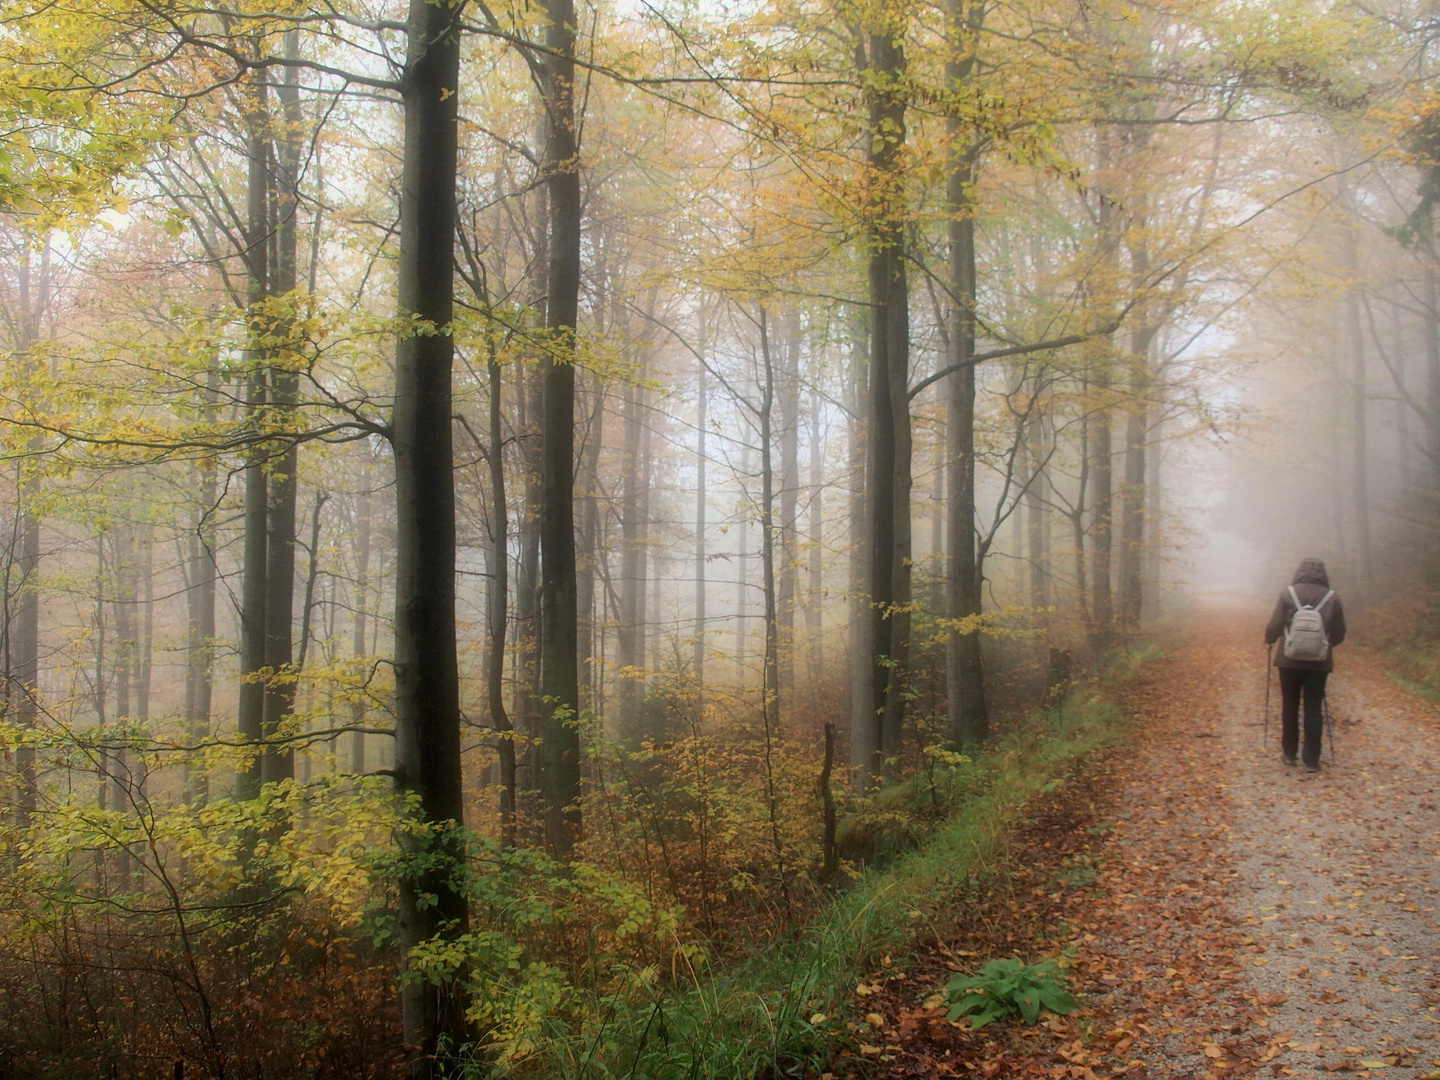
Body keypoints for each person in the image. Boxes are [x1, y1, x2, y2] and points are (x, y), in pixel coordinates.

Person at [1264, 557, 1346, 773]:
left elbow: (1274, 626)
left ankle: (1289, 754)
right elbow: (1339, 634)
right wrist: (1324, 645)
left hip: (1288, 661)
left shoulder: (1288, 594)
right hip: (1319, 663)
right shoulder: (1331, 597)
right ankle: (1311, 760)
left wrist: (1270, 640)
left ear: (1299, 572)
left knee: (1290, 705)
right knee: (1313, 707)